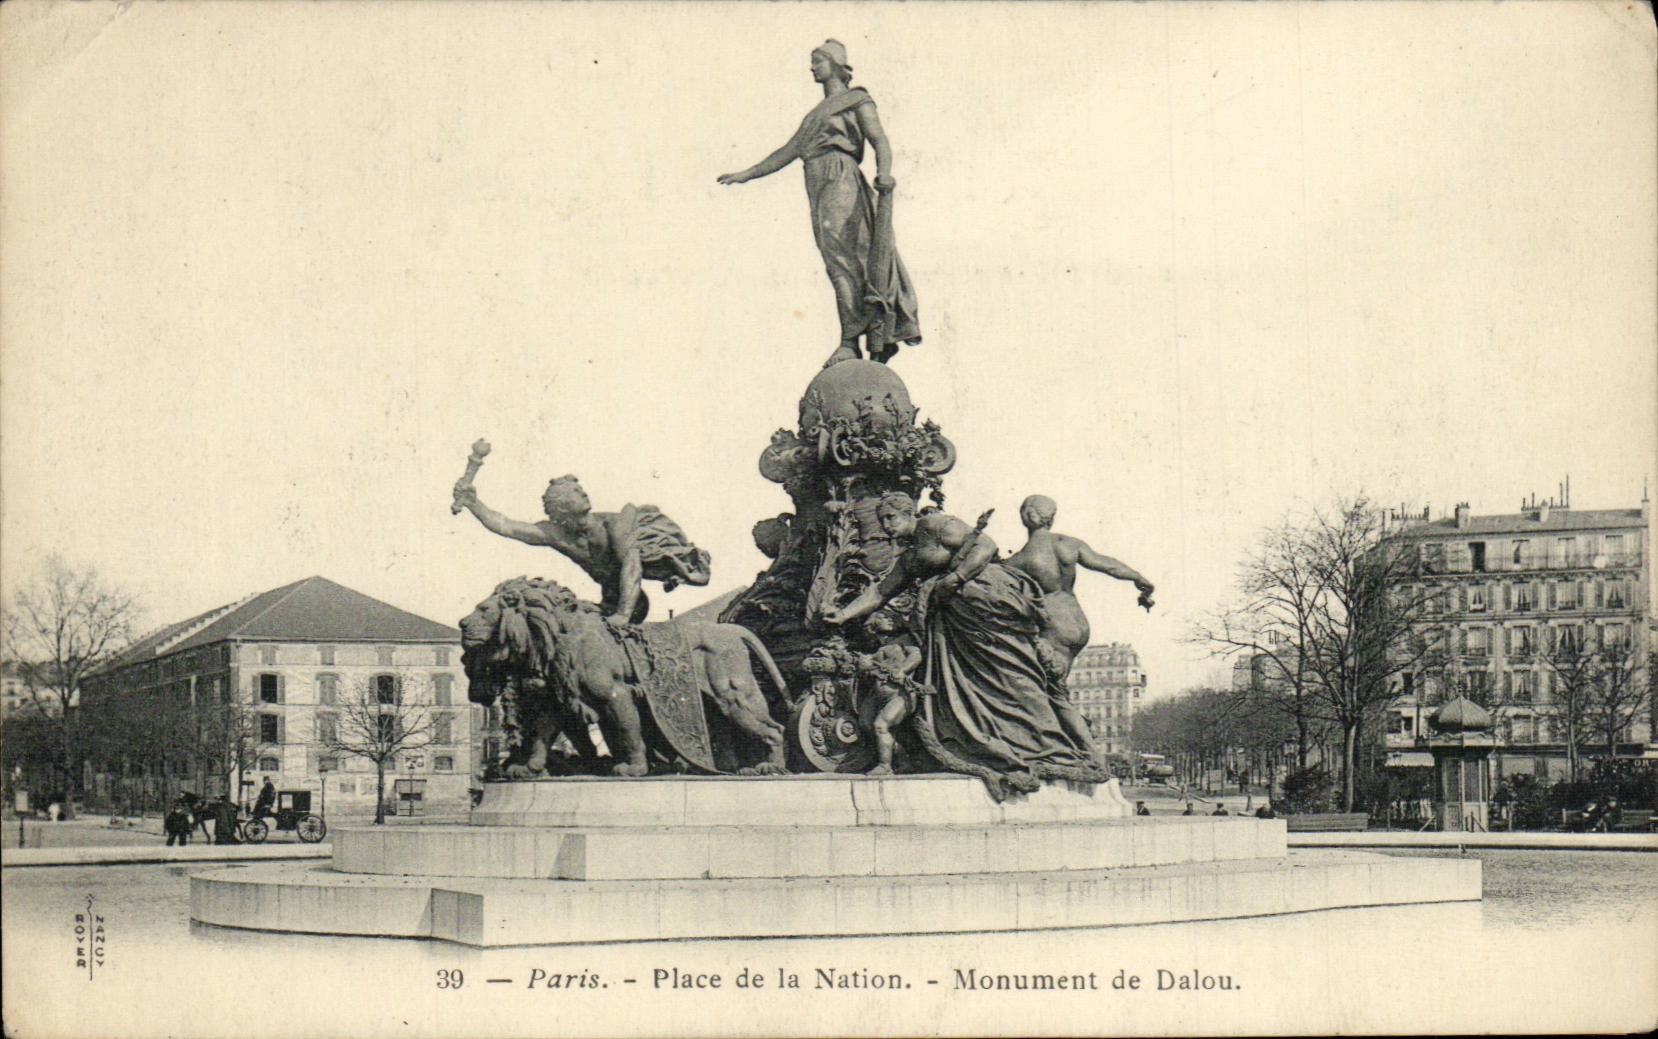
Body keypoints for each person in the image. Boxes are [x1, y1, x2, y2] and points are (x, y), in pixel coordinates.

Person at [823, 492, 1105, 785]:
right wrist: (843, 615)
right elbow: (881, 592)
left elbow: (986, 545)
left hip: (985, 603)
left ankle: (1048, 744)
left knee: (1011, 675)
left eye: (891, 517)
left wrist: (956, 578)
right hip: (955, 623)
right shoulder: (909, 557)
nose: (886, 526)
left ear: (908, 513)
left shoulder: (934, 525)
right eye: (881, 520)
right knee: (980, 687)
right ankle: (998, 743)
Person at [718, 40, 921, 368]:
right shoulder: (814, 117)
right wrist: (747, 174)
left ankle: (851, 340)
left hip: (840, 176)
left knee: (845, 258)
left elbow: (879, 139)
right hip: (816, 182)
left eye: (818, 61)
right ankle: (854, 338)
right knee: (836, 260)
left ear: (836, 64)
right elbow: (787, 151)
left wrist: (884, 172)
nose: (812, 68)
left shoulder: (856, 100)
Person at [454, 475, 711, 626]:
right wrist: (472, 502)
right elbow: (507, 526)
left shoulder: (615, 527)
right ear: (562, 507)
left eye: (580, 490)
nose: (584, 493)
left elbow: (632, 567)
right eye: (575, 492)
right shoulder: (556, 534)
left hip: (627, 591)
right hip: (612, 595)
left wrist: (623, 614)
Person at [1003, 495, 1155, 680]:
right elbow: (1108, 564)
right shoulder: (1069, 544)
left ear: (1024, 518)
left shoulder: (1018, 560)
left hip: (1054, 627)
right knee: (1058, 684)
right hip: (1079, 623)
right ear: (1051, 518)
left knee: (1046, 687)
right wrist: (1138, 577)